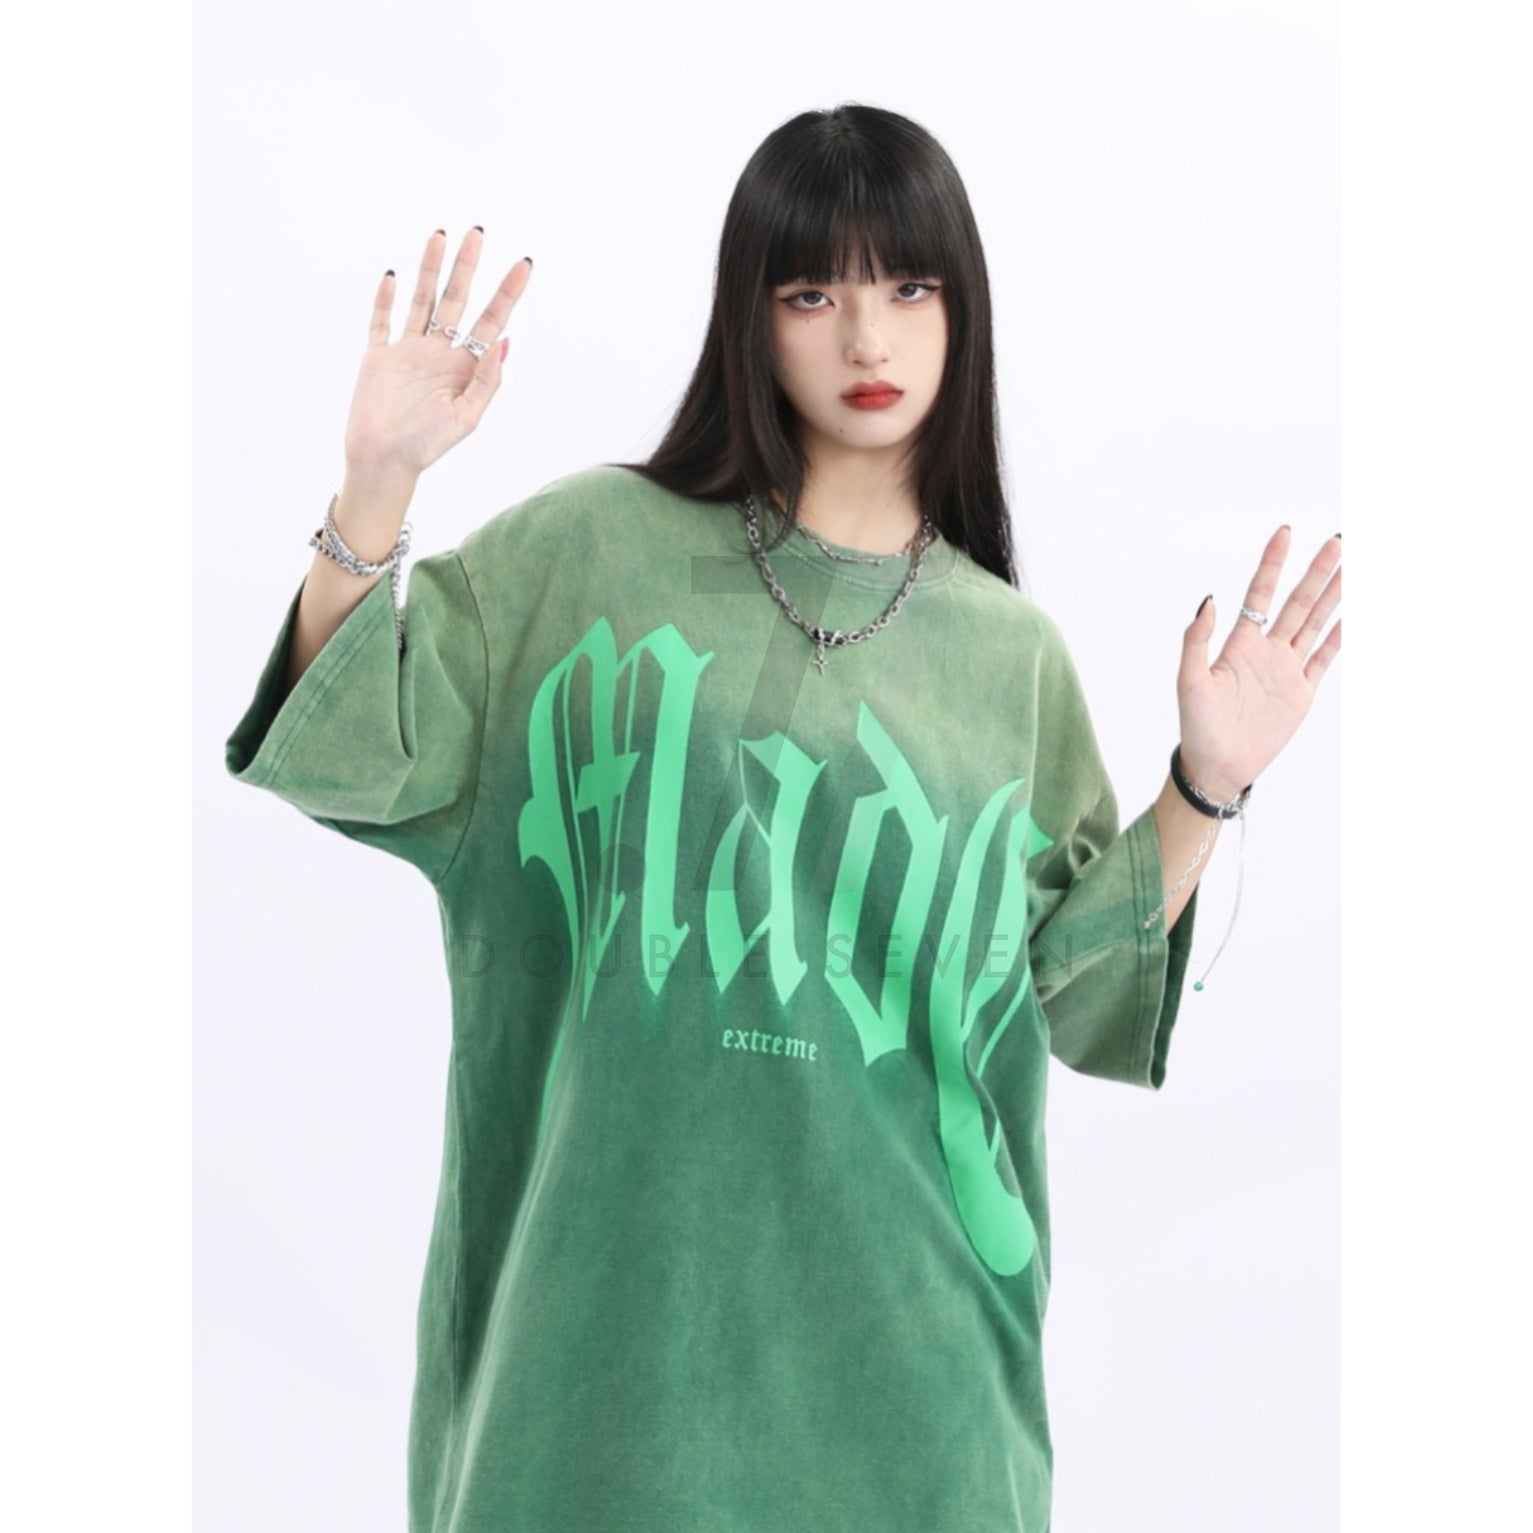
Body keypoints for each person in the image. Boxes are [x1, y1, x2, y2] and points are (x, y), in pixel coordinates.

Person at [225, 103, 1340, 1533]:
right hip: (597, 1382)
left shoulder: (1010, 660)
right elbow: (343, 740)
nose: (867, 338)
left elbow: (1070, 998)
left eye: (909, 287)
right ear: (749, 319)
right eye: (813, 292)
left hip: (915, 1393)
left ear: (963, 310)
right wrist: (374, 487)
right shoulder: (587, 554)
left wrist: (1204, 786)